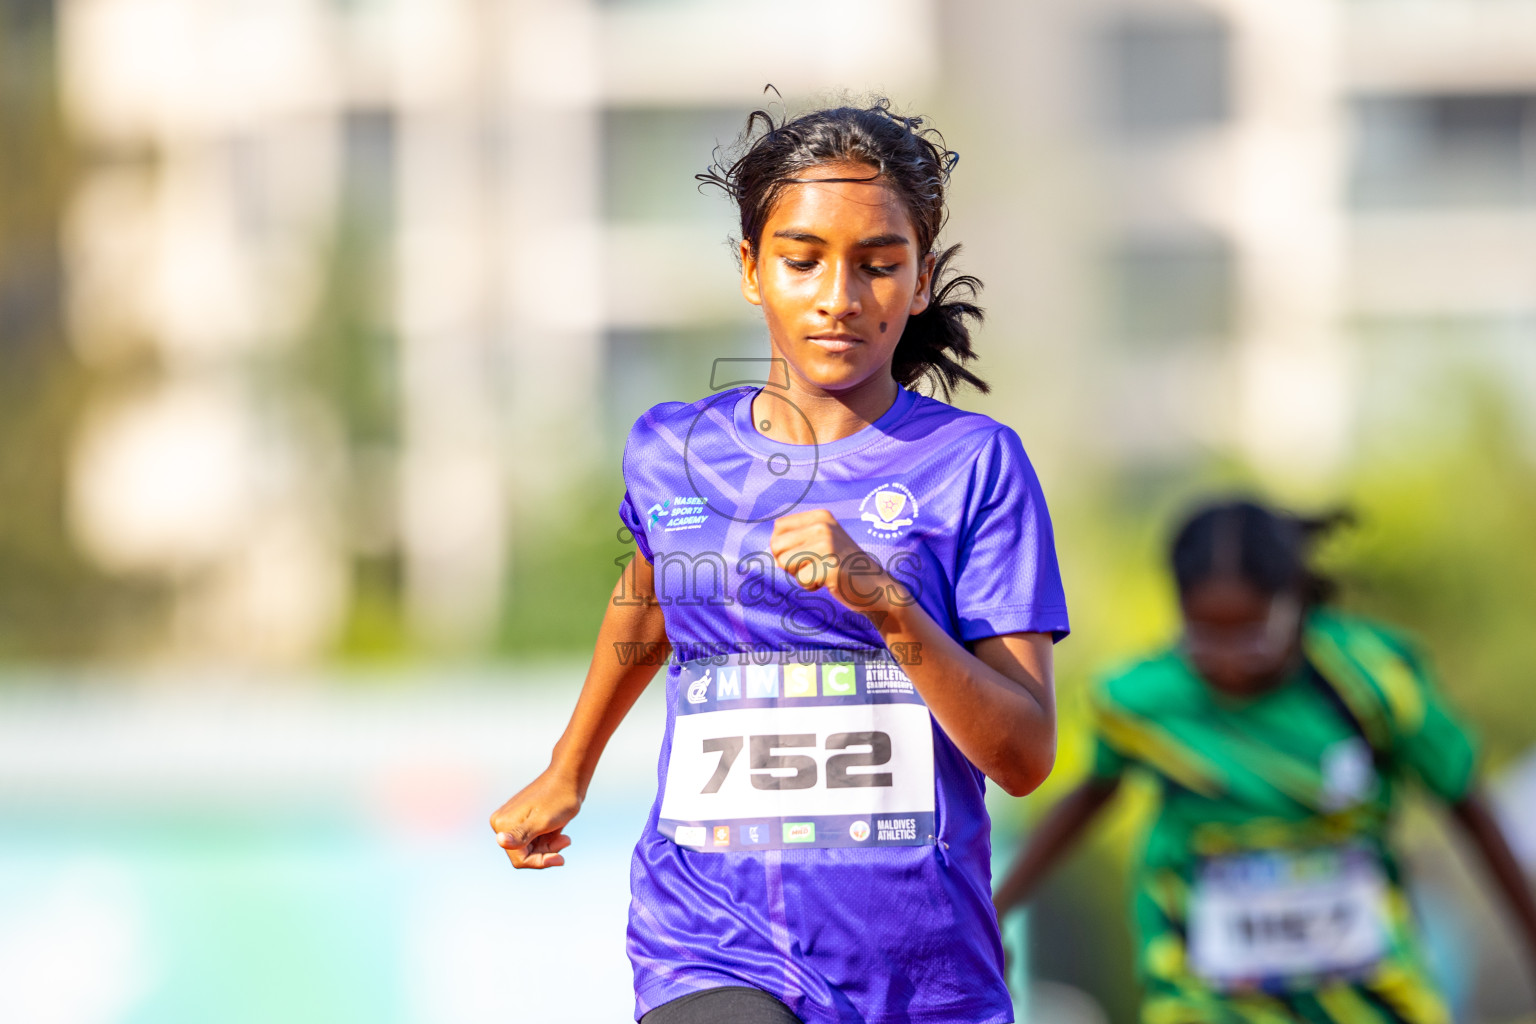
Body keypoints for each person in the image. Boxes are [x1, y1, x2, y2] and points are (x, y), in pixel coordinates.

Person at [489, 97, 1070, 1024]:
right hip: (708, 939)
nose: (839, 297)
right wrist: (570, 767)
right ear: (753, 270)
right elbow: (648, 601)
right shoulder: (671, 451)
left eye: (878, 266)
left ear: (919, 282)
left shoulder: (974, 466)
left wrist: (886, 604)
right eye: (802, 261)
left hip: (920, 974)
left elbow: (1025, 753)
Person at [994, 499, 1536, 1024]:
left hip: (1363, 998)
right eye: (1206, 632)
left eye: (1252, 632)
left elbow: (1471, 809)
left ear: (1294, 600)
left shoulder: (1377, 680)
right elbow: (1086, 802)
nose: (1229, 659)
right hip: (1205, 998)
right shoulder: (1140, 702)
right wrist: (993, 914)